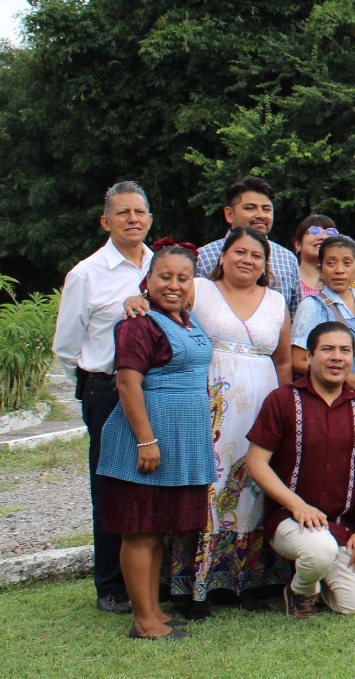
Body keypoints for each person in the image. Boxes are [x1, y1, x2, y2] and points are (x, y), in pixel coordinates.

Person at [170, 225, 293, 610]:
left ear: (266, 265)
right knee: (208, 486)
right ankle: (196, 584)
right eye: (239, 252)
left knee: (253, 487)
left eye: (257, 256)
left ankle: (249, 582)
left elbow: (284, 360)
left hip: (260, 409)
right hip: (208, 408)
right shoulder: (199, 290)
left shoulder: (276, 301)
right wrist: (132, 300)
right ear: (222, 256)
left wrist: (285, 412)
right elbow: (159, 306)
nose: (247, 260)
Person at [95, 240, 210, 640]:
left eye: (183, 278)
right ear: (148, 279)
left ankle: (154, 611)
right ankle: (143, 621)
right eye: (165, 277)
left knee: (158, 528)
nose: (174, 285)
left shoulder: (189, 321)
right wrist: (146, 440)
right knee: (140, 530)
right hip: (147, 439)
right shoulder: (138, 323)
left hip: (181, 441)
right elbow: (128, 384)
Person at [52, 180, 153, 615]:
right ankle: (111, 586)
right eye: (123, 212)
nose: (133, 219)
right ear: (105, 221)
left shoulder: (160, 264)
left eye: (139, 212)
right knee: (111, 487)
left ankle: (152, 579)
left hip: (156, 390)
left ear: (149, 218)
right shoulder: (87, 274)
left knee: (154, 484)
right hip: (107, 390)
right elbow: (66, 347)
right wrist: (93, 382)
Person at [246, 320, 355, 619]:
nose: (337, 357)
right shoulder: (283, 399)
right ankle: (301, 590)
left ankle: (319, 575)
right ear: (308, 356)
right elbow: (255, 463)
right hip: (290, 519)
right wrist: (297, 505)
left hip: (342, 526)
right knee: (319, 550)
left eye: (344, 351)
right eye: (327, 349)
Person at [289, 234, 355, 397]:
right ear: (320, 270)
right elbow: (297, 361)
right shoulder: (312, 305)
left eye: (347, 263)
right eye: (331, 263)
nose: (339, 270)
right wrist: (345, 378)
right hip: (325, 397)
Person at [195, 175, 302, 315]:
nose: (261, 215)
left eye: (266, 209)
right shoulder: (204, 257)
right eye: (250, 208)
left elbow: (294, 316)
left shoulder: (287, 259)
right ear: (229, 214)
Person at [290, 214, 338, 302]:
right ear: (298, 244)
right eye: (315, 231)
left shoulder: (343, 279)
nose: (323, 237)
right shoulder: (289, 279)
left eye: (330, 233)